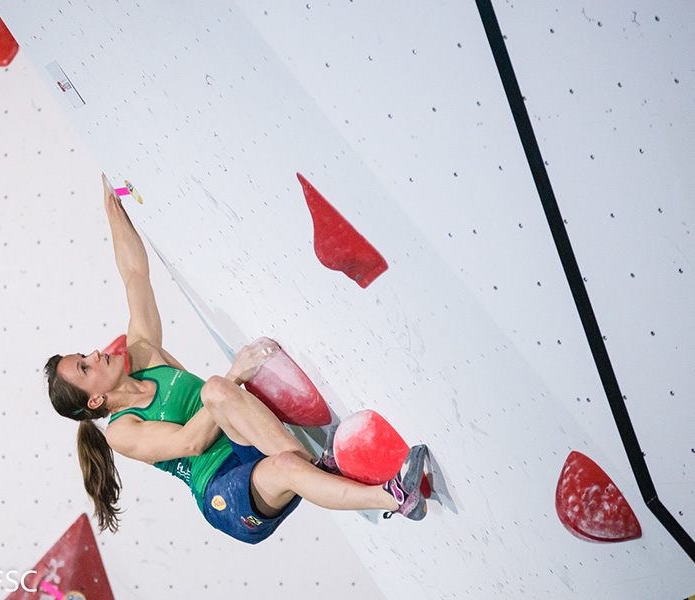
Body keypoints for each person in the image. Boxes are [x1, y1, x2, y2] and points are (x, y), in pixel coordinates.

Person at [44, 174, 427, 544]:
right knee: (234, 409)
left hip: (247, 444)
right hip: (224, 493)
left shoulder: (144, 352)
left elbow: (133, 275)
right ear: (94, 401)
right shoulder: (121, 431)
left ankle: (314, 467)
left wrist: (112, 206)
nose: (94, 354)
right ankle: (394, 497)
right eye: (84, 367)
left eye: (83, 355)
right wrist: (235, 375)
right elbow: (190, 443)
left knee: (221, 395)